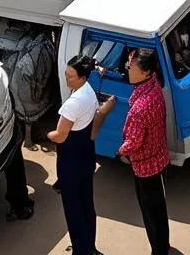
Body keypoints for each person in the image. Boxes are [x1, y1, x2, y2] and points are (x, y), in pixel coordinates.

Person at [47, 55, 115, 255]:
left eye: (70, 76)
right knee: (86, 204)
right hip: (86, 156)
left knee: (73, 209)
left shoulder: (72, 104)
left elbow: (60, 136)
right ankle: (90, 247)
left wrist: (47, 134)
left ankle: (81, 250)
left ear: (82, 77)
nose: (66, 79)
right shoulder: (89, 92)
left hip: (70, 162)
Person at [118, 49, 170, 255]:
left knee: (151, 212)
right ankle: (162, 246)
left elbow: (134, 141)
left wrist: (121, 150)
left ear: (146, 72)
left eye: (131, 68)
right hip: (159, 156)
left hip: (146, 165)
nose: (127, 70)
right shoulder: (154, 87)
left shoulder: (140, 107)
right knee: (159, 209)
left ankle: (159, 250)